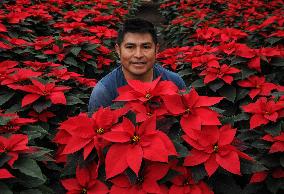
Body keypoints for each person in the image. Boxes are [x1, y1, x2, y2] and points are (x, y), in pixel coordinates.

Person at [88, 18, 186, 115]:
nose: (138, 55)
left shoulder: (174, 81)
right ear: (118, 50)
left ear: (156, 50)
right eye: (130, 47)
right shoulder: (104, 92)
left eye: (146, 47)